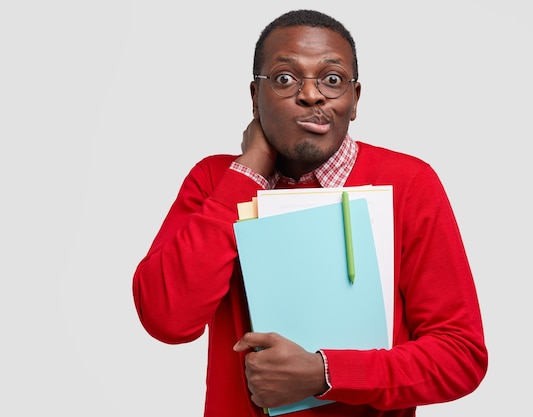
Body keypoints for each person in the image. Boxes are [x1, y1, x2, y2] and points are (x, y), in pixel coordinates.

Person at [132, 9, 488, 417]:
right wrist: (249, 171)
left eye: (332, 80)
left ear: (354, 101)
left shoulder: (410, 184)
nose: (312, 95)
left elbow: (461, 357)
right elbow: (167, 319)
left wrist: (325, 373)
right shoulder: (215, 180)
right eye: (285, 79)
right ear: (254, 97)